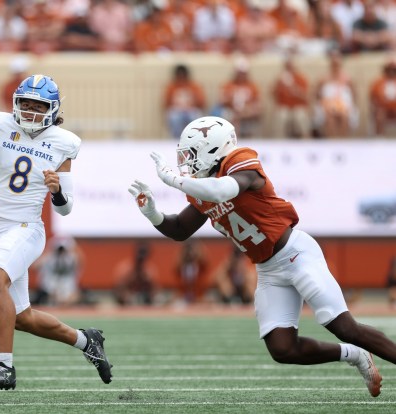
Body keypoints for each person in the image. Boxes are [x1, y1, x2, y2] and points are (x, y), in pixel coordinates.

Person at [128, 115, 396, 398]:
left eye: (191, 154)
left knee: (343, 326)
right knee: (282, 348)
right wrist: (153, 214)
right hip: (268, 270)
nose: (187, 162)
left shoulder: (240, 162)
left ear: (214, 147)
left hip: (295, 254)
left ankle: (359, 345)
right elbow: (180, 229)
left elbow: (224, 190)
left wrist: (174, 179)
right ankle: (354, 355)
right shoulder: (200, 189)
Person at [0, 73, 112, 390]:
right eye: (25, 103)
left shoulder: (64, 143)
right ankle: (86, 341)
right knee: (20, 317)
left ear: (52, 109)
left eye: (38, 105)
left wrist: (57, 191)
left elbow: (65, 208)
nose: (30, 110)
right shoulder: (0, 125)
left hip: (27, 228)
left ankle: (3, 366)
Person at [32, 235, 83, 307]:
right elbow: (35, 266)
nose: (61, 253)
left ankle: (63, 303)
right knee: (50, 293)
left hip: (65, 281)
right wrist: (47, 255)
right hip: (52, 281)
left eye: (63, 250)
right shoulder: (49, 257)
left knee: (73, 295)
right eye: (59, 250)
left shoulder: (71, 258)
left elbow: (79, 264)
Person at [113, 242, 158, 306]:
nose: (141, 261)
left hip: (144, 302)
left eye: (143, 258)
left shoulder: (149, 270)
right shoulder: (125, 268)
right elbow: (118, 288)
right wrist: (127, 297)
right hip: (127, 301)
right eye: (139, 258)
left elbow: (155, 290)